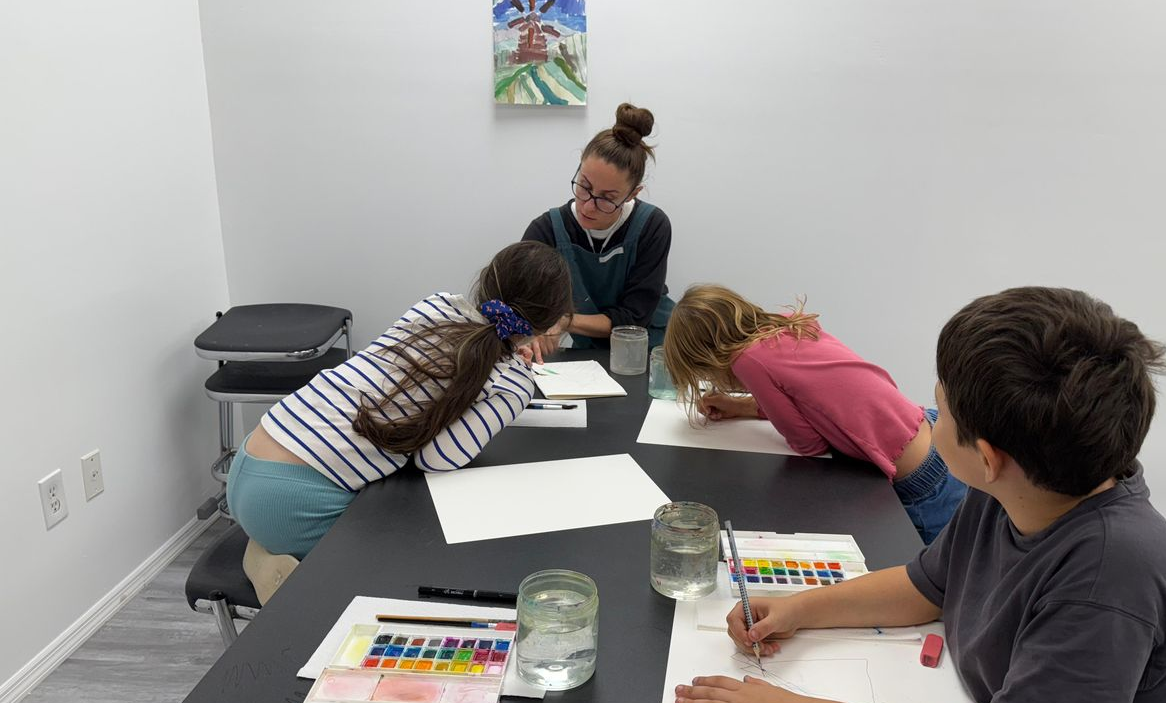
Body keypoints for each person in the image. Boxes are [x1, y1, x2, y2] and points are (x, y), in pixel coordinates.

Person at [673, 286, 1166, 703]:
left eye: (939, 412)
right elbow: (928, 587)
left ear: (987, 454)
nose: (927, 420)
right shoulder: (1012, 490)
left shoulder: (1111, 574)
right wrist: (800, 607)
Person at [226, 242, 572, 573]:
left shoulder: (436, 305)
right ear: (550, 323)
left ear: (486, 279)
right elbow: (435, 459)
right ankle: (286, 560)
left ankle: (268, 546)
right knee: (409, 554)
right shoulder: (513, 384)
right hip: (298, 498)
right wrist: (514, 376)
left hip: (251, 457)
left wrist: (503, 357)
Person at [663, 284, 965, 542]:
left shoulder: (748, 361)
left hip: (921, 481)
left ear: (707, 357)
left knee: (946, 578)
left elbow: (809, 443)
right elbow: (814, 402)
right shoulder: (785, 324)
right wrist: (742, 406)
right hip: (934, 435)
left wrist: (755, 403)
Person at [522, 102, 674, 355]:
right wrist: (532, 331)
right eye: (584, 186)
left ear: (632, 194)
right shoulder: (546, 231)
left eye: (606, 198)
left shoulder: (652, 226)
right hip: (588, 356)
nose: (588, 207)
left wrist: (564, 320)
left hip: (654, 350)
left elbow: (633, 318)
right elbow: (519, 301)